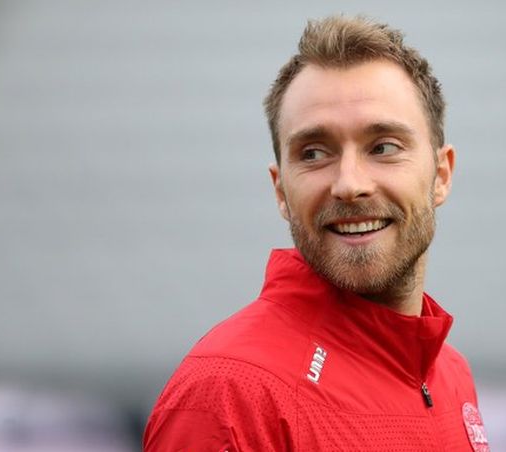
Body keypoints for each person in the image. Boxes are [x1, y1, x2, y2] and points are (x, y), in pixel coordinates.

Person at [144, 15, 488, 452]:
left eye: (383, 147)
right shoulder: (229, 393)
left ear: (441, 175)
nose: (349, 184)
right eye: (313, 153)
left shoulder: (450, 374)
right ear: (280, 190)